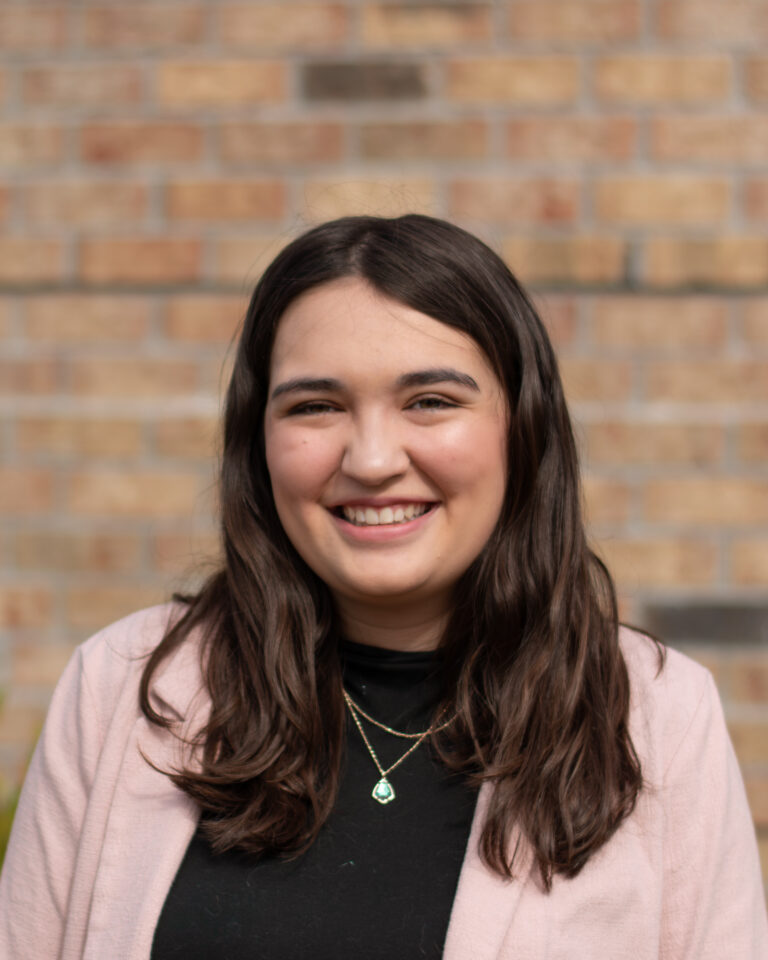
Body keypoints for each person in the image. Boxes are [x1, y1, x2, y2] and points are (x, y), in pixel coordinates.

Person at [0, 214, 766, 960]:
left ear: (522, 427)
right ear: (257, 440)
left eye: (430, 401)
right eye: (316, 405)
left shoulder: (659, 717)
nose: (370, 459)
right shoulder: (123, 688)